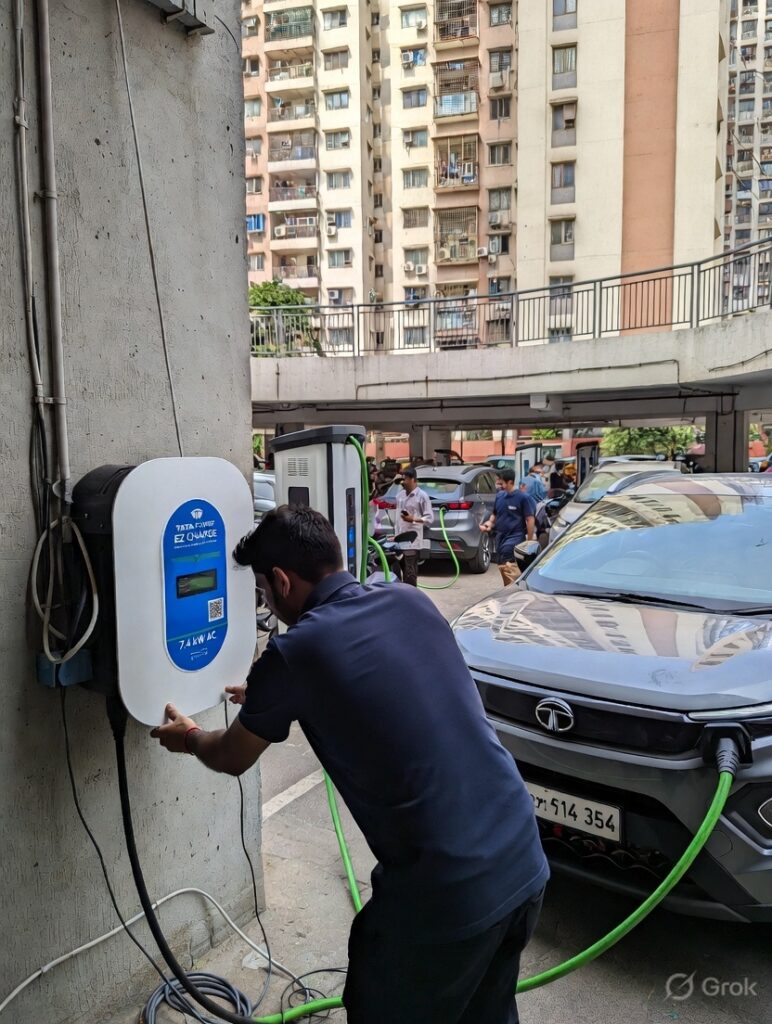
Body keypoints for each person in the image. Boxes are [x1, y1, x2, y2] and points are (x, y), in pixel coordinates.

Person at [151, 507, 549, 1024]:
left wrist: (188, 737)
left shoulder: (297, 650)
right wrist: (273, 695)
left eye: (264, 595)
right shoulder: (410, 600)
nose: (267, 604)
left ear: (280, 580)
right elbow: (382, 678)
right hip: (523, 860)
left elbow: (230, 755)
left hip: (445, 895)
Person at [480, 469, 537, 586]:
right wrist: (489, 524)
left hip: (515, 537)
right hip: (500, 537)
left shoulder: (523, 498)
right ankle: (510, 590)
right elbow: (495, 514)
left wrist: (529, 540)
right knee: (502, 566)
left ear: (510, 482)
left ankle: (514, 593)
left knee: (509, 565)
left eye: (501, 483)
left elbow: (530, 519)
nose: (499, 485)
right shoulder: (500, 496)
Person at [395, 467, 434, 586]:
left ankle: (411, 596)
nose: (403, 482)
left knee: (410, 573)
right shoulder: (400, 496)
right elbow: (398, 518)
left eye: (405, 479)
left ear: (413, 480)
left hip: (412, 541)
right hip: (399, 539)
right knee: (398, 571)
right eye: (402, 479)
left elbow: (429, 518)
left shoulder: (422, 496)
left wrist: (413, 519)